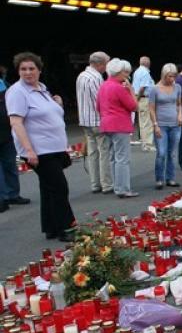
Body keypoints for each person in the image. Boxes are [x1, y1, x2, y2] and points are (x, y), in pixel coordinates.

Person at [5, 52, 74, 241]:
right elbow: (16, 123)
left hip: (54, 147)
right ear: (18, 71)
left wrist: (57, 103)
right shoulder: (17, 92)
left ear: (39, 70)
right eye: (23, 69)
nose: (28, 73)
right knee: (59, 187)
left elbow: (48, 114)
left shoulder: (42, 88)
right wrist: (28, 150)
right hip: (38, 150)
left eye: (31, 69)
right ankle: (67, 227)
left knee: (48, 187)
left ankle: (51, 227)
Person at [97, 58, 138, 198]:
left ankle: (117, 186)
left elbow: (98, 106)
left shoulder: (103, 86)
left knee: (113, 157)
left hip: (106, 123)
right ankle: (123, 189)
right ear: (118, 72)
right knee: (122, 158)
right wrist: (131, 91)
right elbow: (134, 106)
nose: (126, 75)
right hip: (120, 124)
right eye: (124, 73)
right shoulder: (119, 87)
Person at [76, 51, 113, 194]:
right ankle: (106, 184)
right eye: (105, 64)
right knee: (104, 152)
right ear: (99, 64)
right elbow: (101, 100)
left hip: (85, 119)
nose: (106, 67)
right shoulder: (97, 78)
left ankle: (94, 183)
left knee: (92, 153)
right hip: (97, 120)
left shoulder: (81, 76)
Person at [148, 63, 182, 189]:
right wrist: (155, 125)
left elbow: (179, 104)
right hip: (161, 125)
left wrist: (180, 115)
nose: (172, 79)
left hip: (175, 124)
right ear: (163, 75)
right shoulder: (154, 89)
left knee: (171, 152)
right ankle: (159, 178)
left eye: (173, 76)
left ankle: (171, 178)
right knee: (161, 153)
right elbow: (151, 108)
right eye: (169, 76)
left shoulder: (177, 87)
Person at [0, 81, 28, 212]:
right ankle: (3, 198)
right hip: (7, 131)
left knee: (10, 165)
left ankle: (12, 195)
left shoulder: (4, 86)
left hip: (7, 133)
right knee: (6, 166)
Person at [132, 56, 155, 152]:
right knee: (148, 122)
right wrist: (137, 99)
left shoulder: (137, 72)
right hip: (144, 99)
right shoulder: (145, 72)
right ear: (148, 63)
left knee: (142, 122)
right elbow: (143, 87)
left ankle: (144, 141)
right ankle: (148, 145)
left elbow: (135, 87)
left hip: (139, 98)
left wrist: (136, 99)